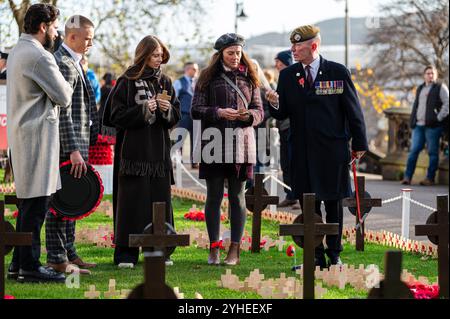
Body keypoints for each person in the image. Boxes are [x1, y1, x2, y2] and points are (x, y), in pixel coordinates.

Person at [266, 25, 368, 268]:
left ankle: (334, 255)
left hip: (332, 152)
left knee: (333, 203)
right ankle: (314, 255)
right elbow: (283, 113)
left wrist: (360, 143)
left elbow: (352, 110)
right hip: (301, 152)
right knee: (308, 204)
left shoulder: (337, 71)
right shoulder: (289, 75)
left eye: (298, 45)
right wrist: (273, 103)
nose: (293, 49)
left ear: (313, 46)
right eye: (292, 45)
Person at [6, 3, 73, 283]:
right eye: (55, 27)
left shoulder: (17, 51)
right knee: (37, 205)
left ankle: (19, 264)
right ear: (44, 27)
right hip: (37, 138)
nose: (57, 33)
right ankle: (30, 266)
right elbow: (64, 95)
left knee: (29, 205)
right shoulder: (39, 56)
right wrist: (54, 58)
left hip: (23, 135)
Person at [107, 35, 180, 267]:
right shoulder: (126, 80)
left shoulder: (165, 82)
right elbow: (113, 116)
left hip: (158, 154)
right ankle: (126, 254)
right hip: (133, 154)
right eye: (155, 55)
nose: (159, 59)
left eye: (161, 55)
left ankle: (159, 250)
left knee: (159, 202)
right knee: (131, 203)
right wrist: (142, 110)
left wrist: (167, 110)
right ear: (144, 55)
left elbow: (175, 116)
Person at [191, 33, 264, 266]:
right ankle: (214, 248)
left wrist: (249, 116)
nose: (235, 57)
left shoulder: (250, 77)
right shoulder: (207, 77)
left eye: (238, 53)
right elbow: (195, 109)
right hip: (214, 144)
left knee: (237, 197)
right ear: (221, 53)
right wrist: (218, 112)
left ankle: (234, 249)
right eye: (231, 53)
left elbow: (259, 111)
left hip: (242, 145)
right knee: (213, 196)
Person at [45, 14, 99, 275]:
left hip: (79, 142)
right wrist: (74, 150)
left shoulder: (74, 61)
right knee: (61, 202)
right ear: (72, 36)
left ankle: (70, 252)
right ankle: (57, 257)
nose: (91, 43)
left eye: (92, 38)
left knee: (74, 200)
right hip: (69, 145)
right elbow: (63, 111)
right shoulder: (64, 63)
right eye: (87, 38)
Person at [402, 65, 449, 186]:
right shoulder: (420, 88)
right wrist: (413, 120)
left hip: (433, 127)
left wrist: (437, 118)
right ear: (424, 75)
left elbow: (447, 104)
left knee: (433, 153)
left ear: (436, 75)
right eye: (428, 73)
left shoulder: (440, 87)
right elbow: (416, 105)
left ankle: (430, 178)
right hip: (418, 125)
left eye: (432, 73)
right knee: (413, 151)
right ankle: (407, 177)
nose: (430, 75)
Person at [272, 50, 300, 210]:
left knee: (294, 163)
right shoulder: (282, 77)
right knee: (286, 164)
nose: (276, 65)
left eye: (279, 62)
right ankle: (290, 195)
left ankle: (299, 196)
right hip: (282, 127)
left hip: (292, 127)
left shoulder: (295, 78)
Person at [173, 62, 199, 168]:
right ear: (188, 69)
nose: (196, 71)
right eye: (194, 69)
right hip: (183, 115)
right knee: (180, 138)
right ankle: (177, 161)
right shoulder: (179, 82)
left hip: (196, 115)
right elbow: (174, 99)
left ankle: (195, 162)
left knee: (196, 139)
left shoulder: (198, 82)